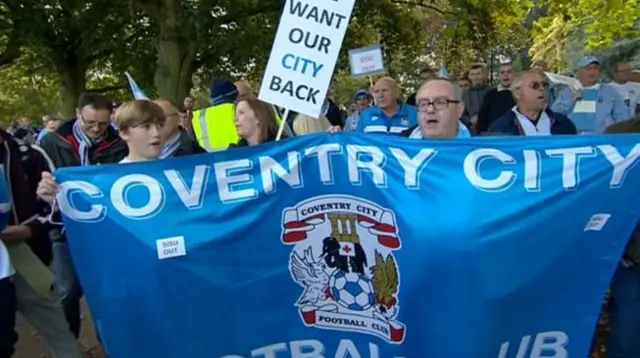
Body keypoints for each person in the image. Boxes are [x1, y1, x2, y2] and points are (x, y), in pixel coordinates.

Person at [39, 92, 126, 339]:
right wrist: (44, 188)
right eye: (90, 123)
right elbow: (38, 181)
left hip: (106, 230)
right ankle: (68, 346)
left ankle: (109, 343)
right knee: (67, 289)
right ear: (78, 114)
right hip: (63, 228)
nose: (97, 129)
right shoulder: (52, 142)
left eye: (103, 123)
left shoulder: (119, 143)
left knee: (108, 292)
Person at [0, 128, 82, 358]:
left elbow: (56, 204)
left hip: (25, 255)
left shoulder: (28, 154)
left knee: (58, 330)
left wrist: (30, 228)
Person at [604, 116, 640, 358]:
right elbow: (602, 197)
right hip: (632, 256)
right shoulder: (619, 135)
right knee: (627, 337)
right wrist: (614, 242)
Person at [551, 56, 628, 133]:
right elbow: (554, 114)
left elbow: (623, 116)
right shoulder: (568, 92)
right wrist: (571, 101)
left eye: (595, 68)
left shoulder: (609, 92)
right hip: (574, 140)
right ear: (579, 72)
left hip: (603, 139)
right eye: (588, 68)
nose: (592, 72)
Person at [489, 71, 577, 136]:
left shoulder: (564, 124)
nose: (542, 89)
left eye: (544, 85)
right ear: (518, 93)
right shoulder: (500, 128)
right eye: (535, 85)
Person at [400, 79, 471, 139]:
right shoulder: (400, 144)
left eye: (440, 102)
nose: (430, 110)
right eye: (423, 104)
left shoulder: (480, 145)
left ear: (459, 109)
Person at [191, 78, 240, 151]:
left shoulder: (196, 116)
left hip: (207, 160)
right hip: (238, 159)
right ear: (234, 96)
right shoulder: (238, 111)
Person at [476, 63, 516, 133]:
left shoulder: (521, 94)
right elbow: (482, 117)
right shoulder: (490, 94)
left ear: (514, 75)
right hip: (493, 136)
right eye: (502, 72)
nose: (505, 75)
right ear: (498, 76)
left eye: (509, 72)